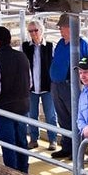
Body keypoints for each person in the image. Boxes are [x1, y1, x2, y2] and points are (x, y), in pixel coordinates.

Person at [0, 26, 31, 173]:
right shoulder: (22, 57)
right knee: (21, 141)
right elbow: (29, 82)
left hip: (4, 108)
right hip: (23, 106)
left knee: (9, 144)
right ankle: (24, 173)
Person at [49, 13, 88, 160]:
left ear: (71, 27)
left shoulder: (82, 43)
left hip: (71, 85)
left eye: (63, 27)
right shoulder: (61, 43)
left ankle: (77, 150)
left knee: (75, 118)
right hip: (57, 84)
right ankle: (66, 147)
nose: (60, 30)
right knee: (63, 118)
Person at [22, 19, 58, 151]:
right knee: (32, 114)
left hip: (47, 87)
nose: (33, 33)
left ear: (41, 31)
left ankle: (52, 139)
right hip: (31, 88)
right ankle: (33, 139)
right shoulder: (25, 47)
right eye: (30, 31)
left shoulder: (50, 46)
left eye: (36, 30)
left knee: (50, 115)